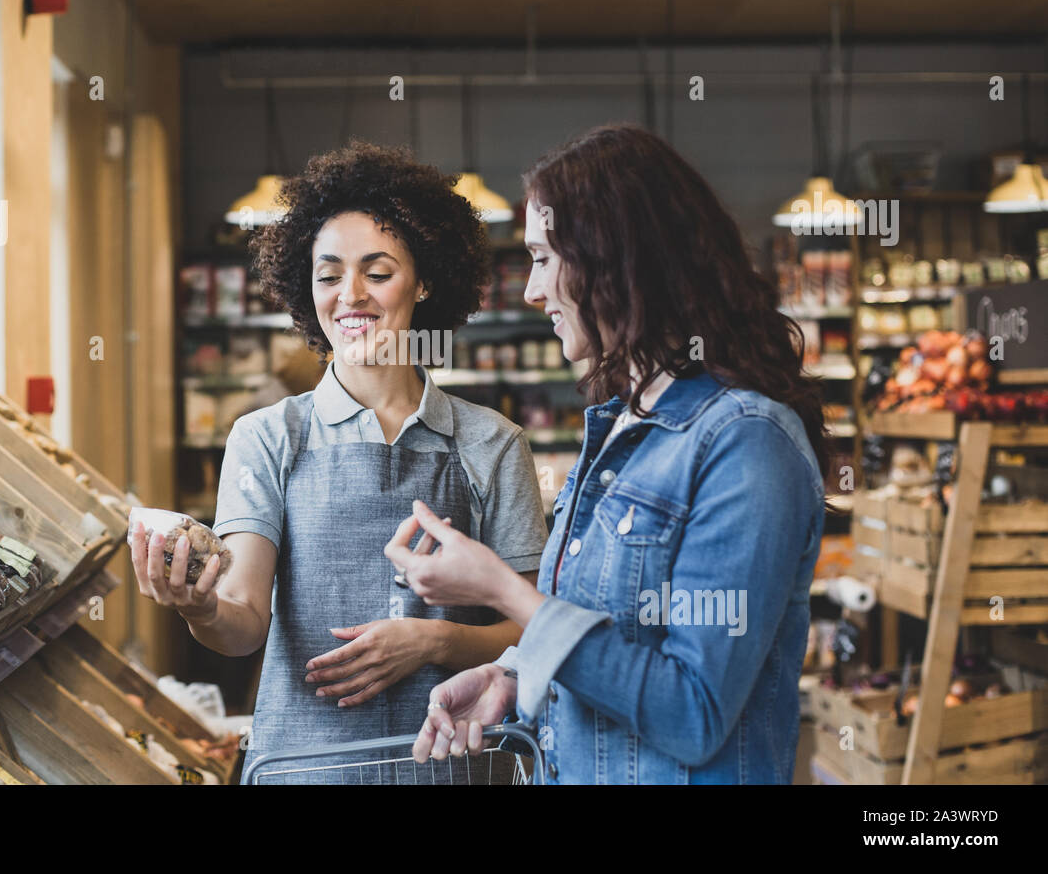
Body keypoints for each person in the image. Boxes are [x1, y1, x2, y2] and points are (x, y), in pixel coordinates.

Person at [385, 124, 828, 784]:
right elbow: (611, 635)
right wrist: (513, 674)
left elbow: (693, 711)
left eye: (542, 258)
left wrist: (502, 590)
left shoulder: (746, 441)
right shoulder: (620, 430)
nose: (533, 292)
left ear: (611, 259)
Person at [130, 142, 547, 783]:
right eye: (329, 275)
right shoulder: (268, 437)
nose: (350, 296)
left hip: (455, 765)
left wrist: (436, 642)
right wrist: (199, 607)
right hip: (305, 764)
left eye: (377, 273)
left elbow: (532, 629)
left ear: (426, 279)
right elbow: (242, 622)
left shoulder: (492, 443)